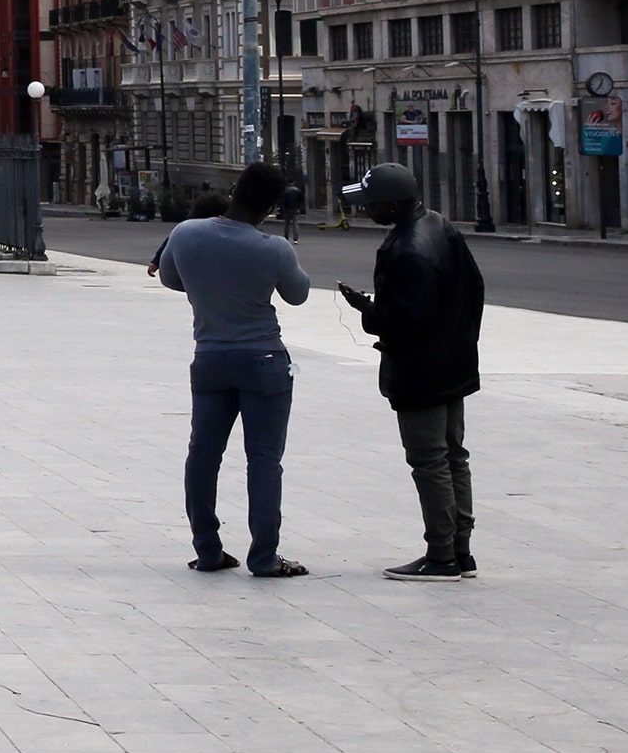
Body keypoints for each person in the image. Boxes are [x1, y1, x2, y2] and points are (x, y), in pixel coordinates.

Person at [156, 160, 312, 578]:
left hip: (210, 358)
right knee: (263, 460)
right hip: (263, 361)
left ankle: (208, 550)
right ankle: (263, 557)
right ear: (272, 207)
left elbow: (170, 279)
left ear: (235, 190)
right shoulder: (273, 248)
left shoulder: (187, 233)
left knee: (203, 455)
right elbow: (298, 295)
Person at [336, 163, 486, 581]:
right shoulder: (439, 226)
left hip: (422, 371)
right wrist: (460, 340)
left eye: (371, 203)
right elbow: (473, 289)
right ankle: (461, 550)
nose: (366, 210)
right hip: (452, 361)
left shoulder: (407, 250)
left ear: (393, 203)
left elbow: (407, 321)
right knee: (453, 455)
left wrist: (369, 313)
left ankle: (440, 556)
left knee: (429, 459)